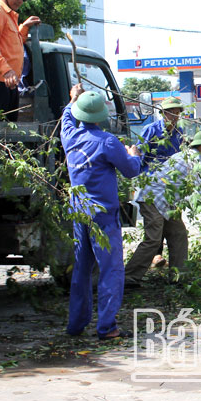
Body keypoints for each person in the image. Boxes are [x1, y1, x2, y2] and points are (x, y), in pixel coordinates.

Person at [62, 83, 143, 340]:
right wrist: (134, 154)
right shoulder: (107, 141)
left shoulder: (70, 137)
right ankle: (107, 327)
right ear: (101, 117)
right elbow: (131, 170)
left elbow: (66, 117)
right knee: (111, 271)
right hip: (104, 217)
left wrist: (72, 99)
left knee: (82, 271)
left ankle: (76, 325)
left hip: (79, 214)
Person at [124, 131, 201, 286]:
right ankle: (129, 278)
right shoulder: (192, 159)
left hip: (165, 203)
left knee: (178, 234)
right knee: (153, 240)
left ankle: (179, 277)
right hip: (153, 199)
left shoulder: (187, 156)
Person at [136, 97, 184, 171]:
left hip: (172, 175)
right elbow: (140, 154)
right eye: (171, 113)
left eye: (177, 113)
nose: (174, 116)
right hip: (152, 175)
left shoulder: (179, 132)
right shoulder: (151, 129)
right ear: (163, 114)